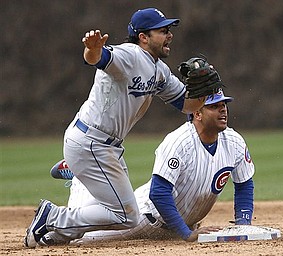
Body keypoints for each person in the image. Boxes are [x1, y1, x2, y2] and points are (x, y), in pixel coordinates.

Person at [24, 8, 218, 248]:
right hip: (91, 142)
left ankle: (54, 231)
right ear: (143, 37)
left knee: (110, 210)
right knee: (126, 215)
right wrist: (93, 48)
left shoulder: (159, 71)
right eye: (162, 31)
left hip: (106, 147)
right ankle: (52, 216)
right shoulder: (131, 54)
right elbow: (97, 59)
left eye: (169, 30)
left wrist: (203, 91)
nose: (169, 35)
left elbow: (188, 106)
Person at [50, 88, 255, 244]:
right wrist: (186, 233)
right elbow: (159, 193)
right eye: (214, 106)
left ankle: (83, 172)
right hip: (145, 218)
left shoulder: (234, 141)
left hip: (180, 225)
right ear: (197, 113)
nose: (223, 110)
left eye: (224, 104)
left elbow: (244, 183)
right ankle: (79, 174)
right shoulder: (178, 142)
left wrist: (243, 223)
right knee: (83, 238)